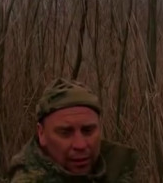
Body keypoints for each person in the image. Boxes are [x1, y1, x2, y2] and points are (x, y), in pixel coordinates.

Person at [7, 78, 137, 182]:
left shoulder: (118, 168)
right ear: (41, 133)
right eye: (65, 133)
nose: (80, 145)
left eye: (88, 131)